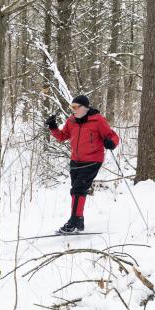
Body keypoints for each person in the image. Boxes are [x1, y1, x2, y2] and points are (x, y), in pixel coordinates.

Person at [46, 95, 120, 234]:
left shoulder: (98, 120)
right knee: (77, 191)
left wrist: (112, 143)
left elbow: (113, 136)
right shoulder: (71, 121)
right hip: (75, 161)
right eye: (71, 107)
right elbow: (62, 136)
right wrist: (53, 127)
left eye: (75, 107)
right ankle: (79, 221)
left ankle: (73, 222)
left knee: (78, 189)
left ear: (85, 107)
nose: (73, 110)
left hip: (92, 160)